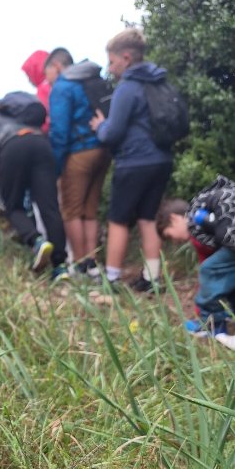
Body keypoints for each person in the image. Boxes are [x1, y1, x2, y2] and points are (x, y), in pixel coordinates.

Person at [90, 29, 173, 291]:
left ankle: (111, 279)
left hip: (134, 161)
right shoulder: (159, 81)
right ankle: (152, 279)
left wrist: (100, 127)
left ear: (126, 58)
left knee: (118, 219)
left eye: (112, 61)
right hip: (161, 159)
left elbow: (113, 133)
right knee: (147, 219)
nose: (110, 67)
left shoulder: (128, 87)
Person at [0, 98, 68, 279]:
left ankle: (37, 241)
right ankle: (61, 266)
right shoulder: (10, 111)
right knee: (49, 207)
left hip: (13, 148)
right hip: (40, 144)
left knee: (13, 206)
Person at [45, 48, 111, 277]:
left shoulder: (63, 86)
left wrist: (55, 165)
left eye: (48, 75)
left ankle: (81, 264)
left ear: (56, 66)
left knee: (71, 210)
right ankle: (92, 263)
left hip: (79, 152)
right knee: (90, 210)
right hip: (102, 149)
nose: (48, 81)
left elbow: (59, 131)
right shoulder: (91, 80)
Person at [156, 178, 235, 349]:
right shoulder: (200, 234)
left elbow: (206, 270)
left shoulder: (196, 221)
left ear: (174, 219)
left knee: (211, 271)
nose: (174, 242)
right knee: (223, 274)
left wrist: (203, 312)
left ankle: (213, 324)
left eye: (169, 236)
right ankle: (217, 318)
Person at [21, 50, 50, 132]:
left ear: (36, 70)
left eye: (29, 75)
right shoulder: (56, 83)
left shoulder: (43, 89)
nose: (29, 80)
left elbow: (44, 118)